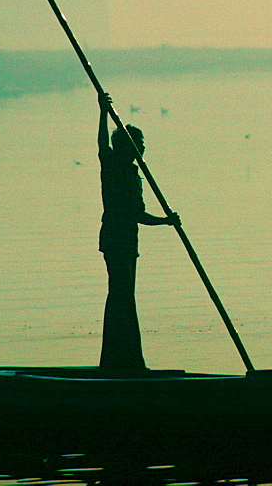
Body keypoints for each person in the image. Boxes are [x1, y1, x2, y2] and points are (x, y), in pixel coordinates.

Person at [97, 92, 179, 371]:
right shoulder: (113, 168)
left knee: (123, 297)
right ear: (127, 147)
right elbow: (137, 215)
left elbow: (138, 215)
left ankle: (125, 361)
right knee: (121, 297)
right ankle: (122, 362)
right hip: (116, 241)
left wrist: (167, 221)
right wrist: (103, 112)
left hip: (127, 243)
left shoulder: (132, 174)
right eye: (139, 144)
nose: (143, 148)